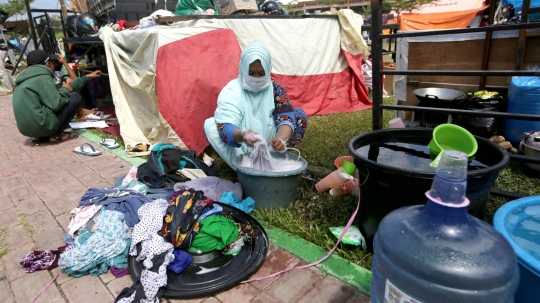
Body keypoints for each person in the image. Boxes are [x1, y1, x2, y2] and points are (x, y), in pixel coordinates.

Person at [204, 43, 308, 170]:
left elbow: (285, 117)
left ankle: (278, 155)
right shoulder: (231, 91)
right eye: (251, 73)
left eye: (261, 73)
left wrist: (281, 138)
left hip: (271, 143)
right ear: (242, 69)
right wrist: (243, 135)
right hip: (243, 145)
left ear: (268, 69)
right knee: (210, 126)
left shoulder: (275, 88)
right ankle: (242, 166)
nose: (256, 78)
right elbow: (226, 126)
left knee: (298, 115)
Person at [12, 50, 101, 143]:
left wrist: (88, 76)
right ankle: (57, 134)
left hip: (26, 129)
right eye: (52, 62)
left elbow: (65, 87)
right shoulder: (43, 78)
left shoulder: (24, 80)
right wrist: (65, 89)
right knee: (74, 97)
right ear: (47, 63)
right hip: (43, 126)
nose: (54, 65)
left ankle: (39, 136)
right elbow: (56, 104)